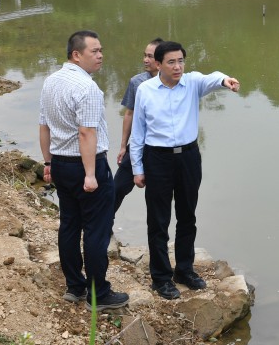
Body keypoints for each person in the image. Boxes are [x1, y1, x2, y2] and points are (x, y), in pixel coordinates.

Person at [129, 41, 240, 299]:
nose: (178, 66)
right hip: (157, 158)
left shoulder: (191, 83)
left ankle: (185, 269)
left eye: (181, 61)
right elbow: (138, 132)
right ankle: (160, 277)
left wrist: (225, 81)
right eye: (171, 62)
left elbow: (212, 77)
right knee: (158, 219)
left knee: (187, 215)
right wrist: (137, 168)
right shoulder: (145, 90)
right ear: (158, 64)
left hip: (188, 156)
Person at [39, 31, 129, 311]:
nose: (101, 55)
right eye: (95, 51)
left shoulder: (51, 81)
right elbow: (86, 132)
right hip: (86, 165)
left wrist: (48, 163)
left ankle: (74, 286)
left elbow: (44, 126)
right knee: (96, 230)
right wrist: (90, 174)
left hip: (61, 164)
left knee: (69, 224)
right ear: (76, 55)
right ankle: (98, 293)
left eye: (102, 50)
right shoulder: (87, 88)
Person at [113, 37, 163, 213]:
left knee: (158, 196)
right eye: (144, 55)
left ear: (160, 61)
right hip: (137, 146)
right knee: (117, 188)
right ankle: (104, 225)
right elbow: (129, 114)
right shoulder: (137, 82)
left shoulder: (174, 82)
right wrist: (122, 146)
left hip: (160, 150)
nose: (145, 60)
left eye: (150, 56)